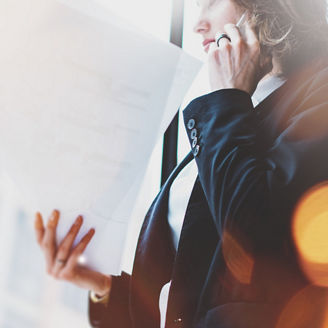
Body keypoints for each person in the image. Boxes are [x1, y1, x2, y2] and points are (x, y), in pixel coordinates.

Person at [34, 0, 328, 327]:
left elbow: (260, 238)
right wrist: (103, 286)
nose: (197, 25)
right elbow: (191, 296)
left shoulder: (308, 97)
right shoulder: (245, 105)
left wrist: (227, 100)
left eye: (212, 3)